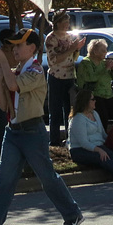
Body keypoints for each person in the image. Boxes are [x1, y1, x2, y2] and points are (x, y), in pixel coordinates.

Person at [0, 28, 83, 225]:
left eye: (19, 45)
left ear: (32, 48)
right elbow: (3, 104)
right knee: (4, 181)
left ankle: (72, 213)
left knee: (47, 178)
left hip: (32, 131)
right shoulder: (15, 71)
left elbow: (15, 86)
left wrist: (3, 64)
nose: (15, 49)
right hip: (12, 132)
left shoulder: (36, 71)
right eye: (13, 46)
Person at [68, 89, 113, 180]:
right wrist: (99, 150)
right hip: (80, 150)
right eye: (92, 99)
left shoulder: (95, 114)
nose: (95, 101)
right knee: (102, 156)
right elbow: (84, 143)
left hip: (98, 145)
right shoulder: (78, 119)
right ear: (85, 102)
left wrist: (112, 142)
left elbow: (102, 134)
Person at [45, 11, 85, 146]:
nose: (67, 25)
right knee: (55, 111)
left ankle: (70, 138)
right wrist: (71, 49)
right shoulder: (51, 39)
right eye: (64, 23)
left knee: (69, 110)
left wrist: (77, 49)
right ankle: (54, 140)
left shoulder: (68, 37)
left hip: (69, 76)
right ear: (57, 23)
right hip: (56, 77)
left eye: (68, 23)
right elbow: (54, 59)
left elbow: (72, 58)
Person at [77, 38, 113, 131]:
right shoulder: (86, 63)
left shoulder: (104, 63)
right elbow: (91, 78)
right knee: (103, 115)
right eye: (103, 51)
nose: (106, 52)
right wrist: (105, 69)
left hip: (108, 95)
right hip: (94, 95)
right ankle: (102, 137)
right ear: (94, 51)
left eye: (106, 50)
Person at [0, 29, 19, 158]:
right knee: (2, 123)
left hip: (14, 94)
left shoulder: (15, 52)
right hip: (2, 94)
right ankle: (0, 149)